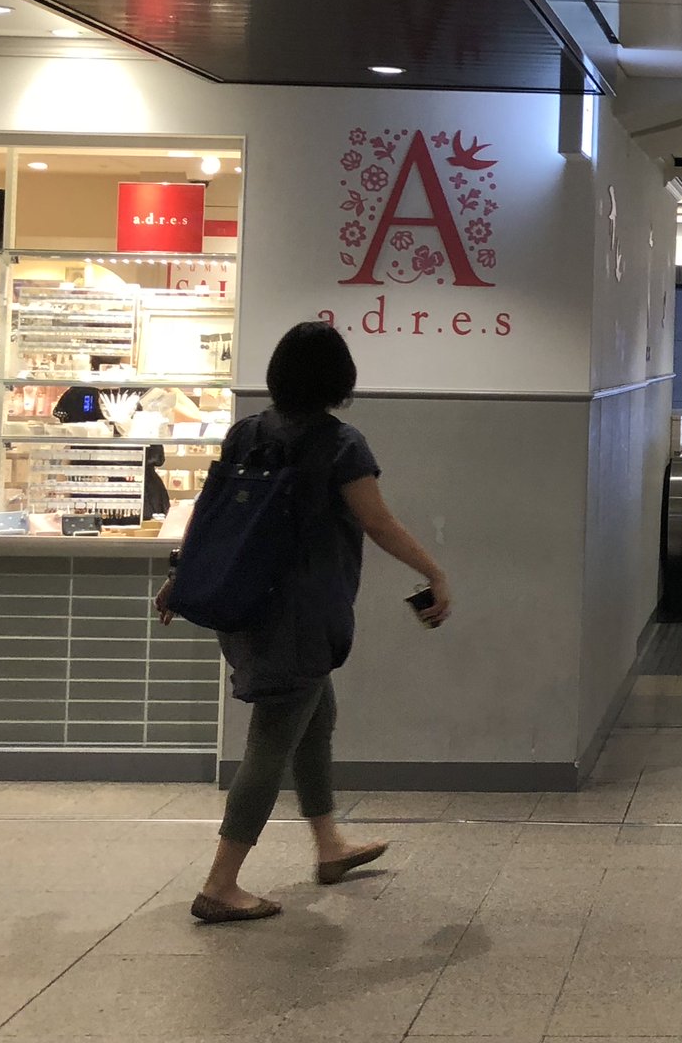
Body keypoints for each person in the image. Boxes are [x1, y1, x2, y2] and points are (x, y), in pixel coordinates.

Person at [155, 321, 451, 923]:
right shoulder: (341, 445)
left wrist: (182, 576)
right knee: (272, 739)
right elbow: (378, 522)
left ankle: (329, 846)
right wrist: (434, 572)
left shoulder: (246, 434)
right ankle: (220, 884)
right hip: (301, 613)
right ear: (339, 380)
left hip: (243, 604)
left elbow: (211, 515)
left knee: (317, 717)